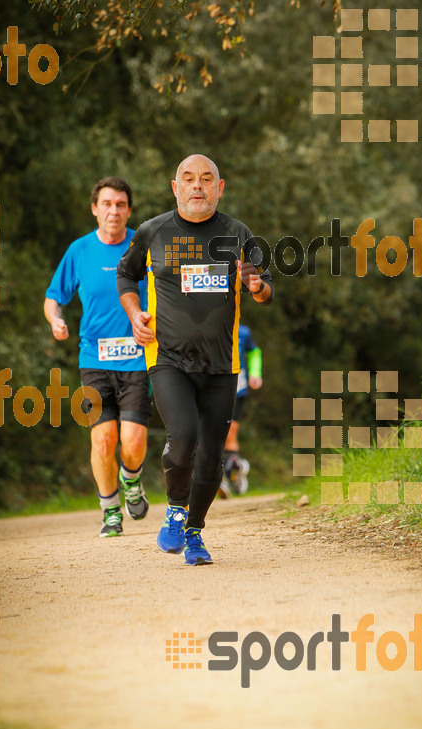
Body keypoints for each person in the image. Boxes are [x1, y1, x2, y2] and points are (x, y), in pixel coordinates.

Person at [117, 154, 274, 565]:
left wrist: (255, 284)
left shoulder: (239, 234)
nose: (197, 186)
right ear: (176, 187)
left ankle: (195, 532)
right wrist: (135, 315)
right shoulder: (152, 231)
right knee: (183, 435)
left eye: (207, 179)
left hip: (223, 365)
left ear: (220, 188)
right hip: (167, 358)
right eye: (189, 179)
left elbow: (265, 289)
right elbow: (125, 275)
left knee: (211, 457)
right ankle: (174, 508)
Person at [44, 177, 150, 538]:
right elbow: (53, 297)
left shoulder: (144, 245)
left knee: (133, 444)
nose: (114, 211)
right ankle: (110, 511)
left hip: (138, 358)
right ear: (95, 208)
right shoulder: (80, 251)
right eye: (107, 204)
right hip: (94, 360)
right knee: (103, 440)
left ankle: (131, 479)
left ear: (129, 210)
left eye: (121, 204)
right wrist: (56, 318)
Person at [220, 323, 262, 497]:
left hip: (238, 387)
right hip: (212, 386)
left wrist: (255, 373)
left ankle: (230, 475)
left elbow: (254, 352)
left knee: (229, 433)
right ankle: (234, 468)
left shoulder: (243, 331)